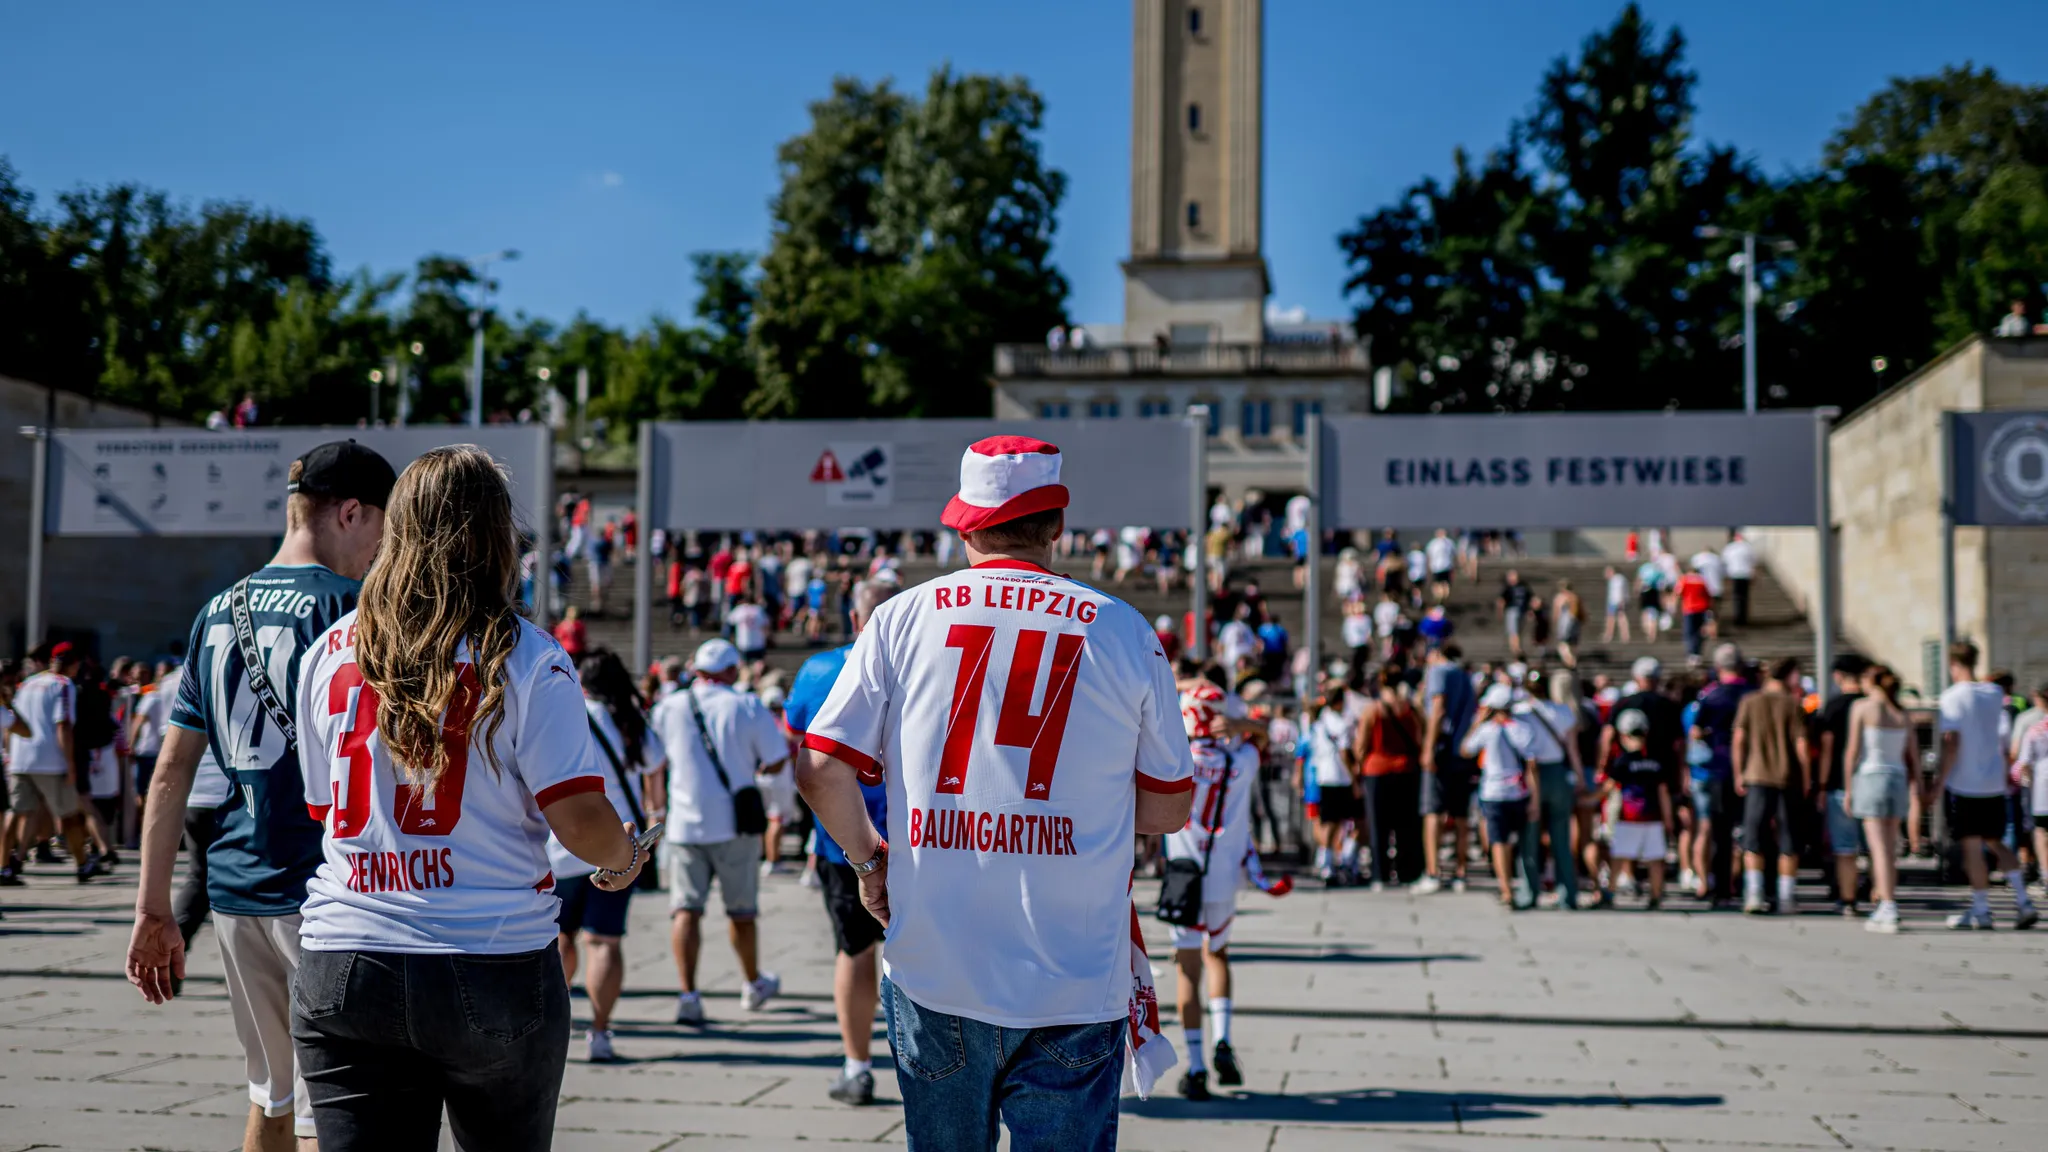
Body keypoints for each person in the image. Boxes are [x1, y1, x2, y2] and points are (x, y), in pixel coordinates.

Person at [795, 435, 1197, 1148]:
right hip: (1075, 972)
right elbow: (1168, 808)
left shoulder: (901, 617)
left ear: (964, 524)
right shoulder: (1125, 630)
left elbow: (822, 767)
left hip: (936, 962)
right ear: (1057, 527)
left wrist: (868, 863)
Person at [281, 446, 646, 1150]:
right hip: (490, 951)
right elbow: (578, 821)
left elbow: (326, 811)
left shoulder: (328, 650)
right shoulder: (529, 656)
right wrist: (624, 853)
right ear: (495, 535)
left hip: (345, 954)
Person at [127, 439, 396, 1152]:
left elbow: (170, 772)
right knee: (330, 1113)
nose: (382, 548)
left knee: (272, 1096)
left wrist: (154, 907)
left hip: (236, 890)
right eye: (382, 528)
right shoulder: (355, 611)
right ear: (350, 513)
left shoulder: (216, 611)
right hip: (325, 895)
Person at [783, 580, 900, 1107]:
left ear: (856, 620)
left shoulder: (819, 669)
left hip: (845, 837)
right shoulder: (936, 659)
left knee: (854, 951)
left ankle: (857, 1066)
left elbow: (800, 746)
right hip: (930, 836)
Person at [651, 637, 789, 1025]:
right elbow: (777, 761)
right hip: (735, 824)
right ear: (731, 671)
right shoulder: (747, 706)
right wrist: (752, 772)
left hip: (683, 825)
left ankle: (688, 994)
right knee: (742, 912)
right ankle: (751, 984)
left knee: (685, 911)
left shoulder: (668, 707)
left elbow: (653, 760)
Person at [1167, 681, 1290, 1101]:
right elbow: (1266, 734)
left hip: (1182, 876)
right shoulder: (1242, 761)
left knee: (1186, 969)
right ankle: (1223, 1038)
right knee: (1217, 954)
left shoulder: (1174, 759)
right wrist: (1242, 723)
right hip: (1223, 875)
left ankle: (1197, 1065)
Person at [555, 650, 667, 1064]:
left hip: (562, 846)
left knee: (561, 940)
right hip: (618, 846)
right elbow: (656, 766)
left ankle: (558, 1021)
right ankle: (600, 1032)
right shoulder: (630, 721)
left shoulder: (568, 713)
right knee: (605, 941)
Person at [1935, 641, 2038, 930]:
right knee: (1996, 841)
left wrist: (1938, 782)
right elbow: (2004, 738)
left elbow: (1951, 743)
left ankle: (1981, 908)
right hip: (1993, 780)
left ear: (1953, 664)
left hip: (1965, 781)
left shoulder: (1953, 696)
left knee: (1971, 847)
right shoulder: (1994, 694)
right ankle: (2022, 900)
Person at [6, 644, 92, 882]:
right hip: (50, 759)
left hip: (20, 757)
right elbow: (63, 724)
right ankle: (82, 863)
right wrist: (70, 764)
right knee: (69, 814)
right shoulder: (63, 685)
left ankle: (12, 860)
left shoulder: (27, 684)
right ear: (73, 664)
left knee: (20, 812)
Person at [1733, 657, 1811, 915]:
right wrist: (1807, 778)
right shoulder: (1793, 704)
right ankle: (1786, 897)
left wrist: (1739, 772)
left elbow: (1739, 739)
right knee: (1789, 839)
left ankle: (1754, 893)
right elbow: (1801, 745)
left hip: (1756, 775)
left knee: (1753, 837)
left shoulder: (1750, 701)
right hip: (1786, 777)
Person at [1846, 664, 1918, 933]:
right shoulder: (1901, 712)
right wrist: (1919, 787)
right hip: (1897, 778)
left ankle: (1887, 904)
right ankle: (1886, 900)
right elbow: (1913, 756)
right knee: (1890, 847)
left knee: (1878, 848)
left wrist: (1849, 788)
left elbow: (1852, 751)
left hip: (1871, 777)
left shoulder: (1863, 708)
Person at [1514, 671, 1584, 910]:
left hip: (1531, 773)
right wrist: (1580, 778)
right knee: (1561, 837)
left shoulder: (1521, 712)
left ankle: (1528, 892)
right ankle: (1568, 894)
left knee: (1529, 837)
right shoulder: (1563, 711)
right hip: (1558, 773)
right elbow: (1573, 750)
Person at [1463, 684, 1537, 908]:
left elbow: (1466, 749)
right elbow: (1532, 768)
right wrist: (1534, 798)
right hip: (1517, 792)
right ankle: (1523, 885)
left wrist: (1477, 721)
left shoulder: (1487, 730)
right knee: (1520, 843)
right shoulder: (1523, 729)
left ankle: (1506, 889)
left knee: (1498, 842)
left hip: (1493, 792)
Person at [1690, 645, 1753, 903]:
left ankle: (1723, 889)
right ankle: (1756, 885)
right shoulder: (1753, 694)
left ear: (1718, 668)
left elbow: (1695, 731)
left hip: (1719, 767)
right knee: (1753, 830)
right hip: (1751, 767)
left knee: (1721, 833)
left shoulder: (1711, 697)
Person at [1352, 667, 1424, 889]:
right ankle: (1407, 871)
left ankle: (1379, 874)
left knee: (1378, 825)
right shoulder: (1410, 709)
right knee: (1407, 825)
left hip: (1378, 770)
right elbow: (1421, 735)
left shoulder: (1373, 710)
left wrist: (1360, 764)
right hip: (1406, 769)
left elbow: (1362, 744)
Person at [1415, 644, 1477, 894]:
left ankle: (1433, 871)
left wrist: (1428, 747)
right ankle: (1460, 872)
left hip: (1443, 750)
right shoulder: (1465, 676)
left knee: (1433, 812)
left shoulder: (1438, 672)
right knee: (1461, 816)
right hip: (1463, 751)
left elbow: (1438, 709)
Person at [1814, 655, 1872, 914]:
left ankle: (1848, 899)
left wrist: (1822, 784)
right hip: (1871, 779)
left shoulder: (1834, 707)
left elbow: (1827, 750)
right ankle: (1878, 892)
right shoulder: (1872, 704)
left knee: (1844, 848)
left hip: (1839, 782)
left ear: (1838, 676)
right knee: (1873, 846)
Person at [1605, 710, 1675, 908]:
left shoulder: (1623, 761)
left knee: (1619, 856)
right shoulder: (1656, 760)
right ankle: (1655, 895)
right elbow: (1663, 792)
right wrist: (1668, 819)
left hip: (1629, 817)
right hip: (1653, 816)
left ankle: (1610, 893)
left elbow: (1609, 787)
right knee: (1655, 859)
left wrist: (1587, 798)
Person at [1305, 683, 1361, 885]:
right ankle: (1345, 860)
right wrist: (1354, 776)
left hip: (1324, 776)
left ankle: (1326, 861)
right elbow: (1345, 752)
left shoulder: (1319, 722)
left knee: (1329, 821)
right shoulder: (1342, 723)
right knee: (1350, 821)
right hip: (1341, 777)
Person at [1676, 564, 1714, 661]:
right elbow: (1708, 595)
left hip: (1689, 608)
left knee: (1689, 632)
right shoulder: (1702, 580)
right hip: (1702, 608)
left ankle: (1691, 653)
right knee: (1699, 632)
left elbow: (1678, 592)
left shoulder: (1684, 579)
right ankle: (1697, 652)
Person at [1722, 533, 1755, 627]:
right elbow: (1753, 560)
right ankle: (1743, 617)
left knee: (1737, 596)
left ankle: (1737, 617)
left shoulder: (1730, 548)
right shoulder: (1748, 547)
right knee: (1744, 597)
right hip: (1745, 574)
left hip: (1734, 574)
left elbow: (1725, 561)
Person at [1498, 570, 1532, 658]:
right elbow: (1501, 601)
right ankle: (1515, 649)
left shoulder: (1523, 587)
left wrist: (1530, 611)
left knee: (1518, 631)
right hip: (1511, 610)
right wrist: (1500, 612)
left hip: (1522, 610)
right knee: (1513, 631)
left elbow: (1530, 598)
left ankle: (1517, 648)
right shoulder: (1507, 588)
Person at [1552, 580, 1584, 669]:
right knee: (1573, 645)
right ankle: (1572, 661)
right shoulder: (1576, 597)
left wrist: (1555, 624)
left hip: (1565, 624)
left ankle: (1570, 662)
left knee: (1562, 645)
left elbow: (1556, 613)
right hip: (1575, 624)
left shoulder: (1560, 598)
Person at [1425, 528, 1456, 603]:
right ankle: (1444, 598)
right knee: (1445, 583)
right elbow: (1454, 554)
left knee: (1437, 583)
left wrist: (1428, 566)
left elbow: (1429, 555)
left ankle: (1439, 597)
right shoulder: (1449, 542)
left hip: (1436, 567)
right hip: (1447, 565)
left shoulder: (1433, 543)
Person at [1602, 565, 1632, 643]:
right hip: (1617, 601)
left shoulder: (1617, 579)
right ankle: (1624, 636)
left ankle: (1610, 635)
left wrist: (1621, 602)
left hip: (1616, 601)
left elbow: (1620, 591)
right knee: (1618, 618)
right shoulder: (1618, 578)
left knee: (1613, 618)